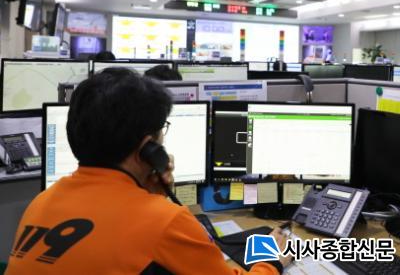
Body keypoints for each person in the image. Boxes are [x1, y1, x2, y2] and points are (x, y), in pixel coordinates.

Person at [6, 68, 289, 274]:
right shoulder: (166, 221)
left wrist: (150, 193)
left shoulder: (41, 203)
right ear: (148, 148)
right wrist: (271, 260)